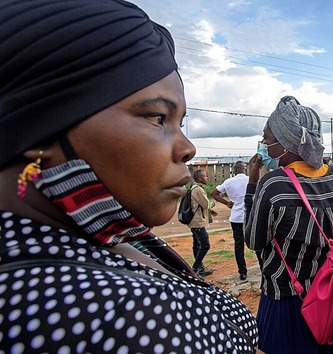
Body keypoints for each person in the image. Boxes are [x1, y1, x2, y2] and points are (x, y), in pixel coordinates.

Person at [0, 1, 259, 352]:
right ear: (38, 126)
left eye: (180, 122)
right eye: (156, 118)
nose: (187, 147)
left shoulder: (105, 235)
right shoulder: (106, 314)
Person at [244, 96, 333, 354]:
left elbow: (253, 240)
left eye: (268, 138)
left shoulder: (274, 185)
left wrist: (252, 185)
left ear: (286, 143)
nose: (264, 144)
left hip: (288, 305)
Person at [212, 160, 250, 281]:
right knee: (257, 243)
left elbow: (214, 193)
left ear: (233, 170)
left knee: (239, 245)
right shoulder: (251, 180)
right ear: (244, 169)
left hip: (236, 218)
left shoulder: (229, 182)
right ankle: (262, 267)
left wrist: (227, 203)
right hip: (250, 216)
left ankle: (242, 272)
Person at [188, 169, 215, 278]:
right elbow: (206, 205)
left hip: (194, 221)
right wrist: (214, 202)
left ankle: (200, 268)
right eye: (205, 176)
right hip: (197, 222)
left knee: (197, 245)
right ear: (199, 178)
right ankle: (194, 269)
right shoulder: (198, 189)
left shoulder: (193, 187)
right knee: (205, 245)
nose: (207, 178)